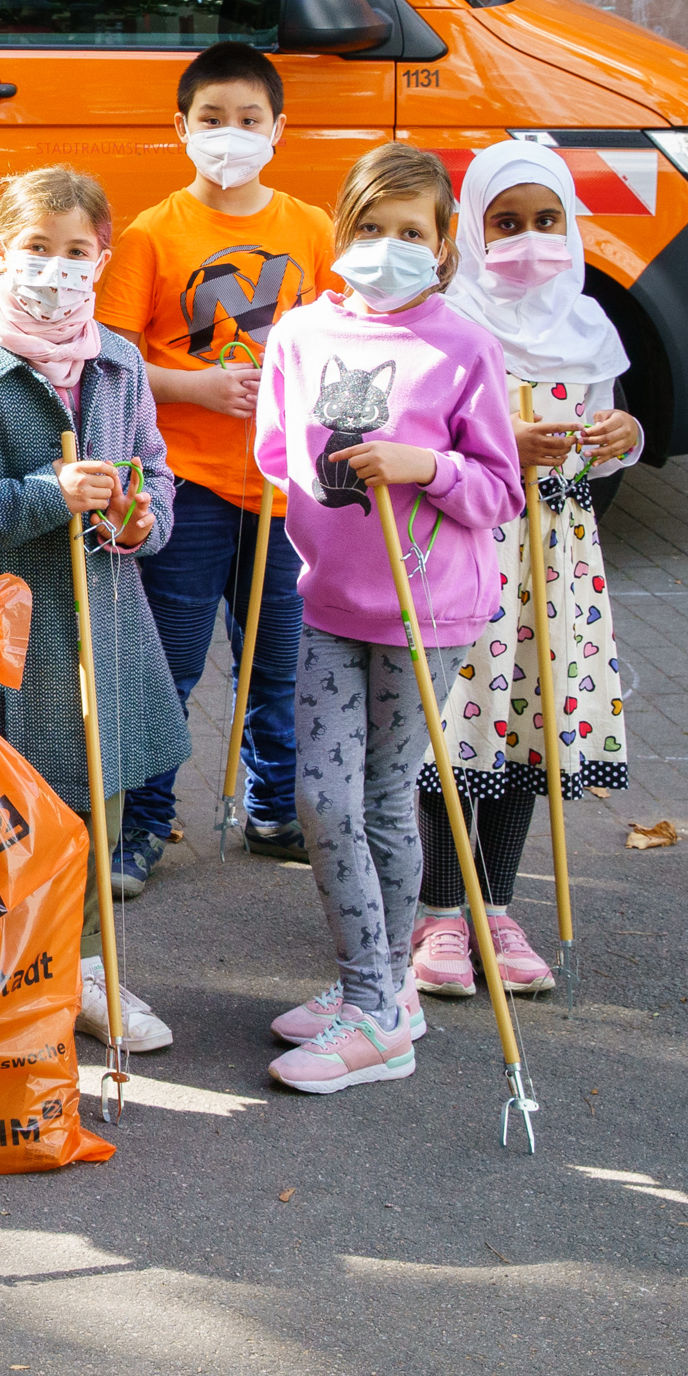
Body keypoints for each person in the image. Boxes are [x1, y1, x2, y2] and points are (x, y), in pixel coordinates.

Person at [252, 141, 522, 1094]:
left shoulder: (466, 347)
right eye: (371, 227)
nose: (389, 246)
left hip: (426, 613)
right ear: (342, 230)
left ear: (443, 245)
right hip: (329, 599)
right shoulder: (299, 334)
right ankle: (371, 984)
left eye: (412, 232)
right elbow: (277, 453)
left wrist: (425, 467)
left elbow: (499, 491)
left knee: (379, 798)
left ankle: (378, 1008)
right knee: (320, 800)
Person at [97, 46, 338, 887]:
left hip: (285, 493)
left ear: (278, 129)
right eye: (212, 119)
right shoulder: (151, 234)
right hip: (190, 485)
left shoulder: (312, 229)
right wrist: (193, 386)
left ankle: (274, 809)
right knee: (171, 662)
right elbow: (114, 356)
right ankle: (143, 823)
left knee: (280, 663)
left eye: (247, 119)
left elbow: (345, 341)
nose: (229, 134)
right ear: (181, 127)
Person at [0, 166, 186, 1054]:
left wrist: (140, 519)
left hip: (105, 619)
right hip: (7, 628)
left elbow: (155, 474)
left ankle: (87, 966)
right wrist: (48, 495)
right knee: (2, 811)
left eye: (74, 251)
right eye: (36, 248)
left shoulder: (119, 362)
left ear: (101, 256)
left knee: (99, 802)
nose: (55, 268)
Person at [414, 141, 639, 1000]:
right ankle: (440, 910)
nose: (528, 239)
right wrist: (502, 441)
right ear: (473, 228)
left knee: (524, 720)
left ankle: (496, 908)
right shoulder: (449, 321)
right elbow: (421, 434)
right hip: (473, 547)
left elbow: (602, 440)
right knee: (455, 724)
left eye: (547, 220)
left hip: (556, 555)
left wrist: (623, 438)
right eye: (506, 223)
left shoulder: (587, 325)